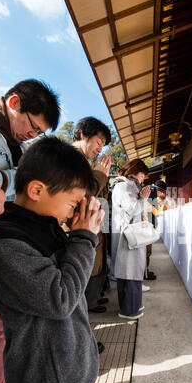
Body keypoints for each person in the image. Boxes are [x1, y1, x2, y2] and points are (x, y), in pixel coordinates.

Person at [0, 136, 104, 383]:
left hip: (63, 382)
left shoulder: (44, 227)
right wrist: (83, 238)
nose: (72, 214)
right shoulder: (7, 245)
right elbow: (61, 299)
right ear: (37, 190)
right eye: (71, 204)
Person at [0, 79, 60, 383]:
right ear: (14, 102)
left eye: (38, 133)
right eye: (32, 126)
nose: (30, 136)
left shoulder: (9, 144)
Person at [73, 117, 111, 315]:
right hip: (72, 234)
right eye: (99, 142)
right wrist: (100, 175)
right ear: (83, 135)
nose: (100, 149)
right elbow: (83, 196)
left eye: (103, 145)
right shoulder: (69, 159)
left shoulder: (86, 163)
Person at [111, 159, 150, 320]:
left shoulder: (127, 185)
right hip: (127, 236)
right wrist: (144, 198)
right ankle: (129, 310)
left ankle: (133, 305)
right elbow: (133, 209)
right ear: (134, 171)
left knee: (131, 271)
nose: (142, 180)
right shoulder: (123, 186)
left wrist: (141, 197)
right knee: (129, 272)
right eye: (142, 176)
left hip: (130, 234)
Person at [144, 179, 167, 283]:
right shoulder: (152, 194)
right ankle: (144, 273)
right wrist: (160, 204)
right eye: (161, 192)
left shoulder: (149, 191)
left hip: (146, 226)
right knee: (147, 252)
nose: (161, 194)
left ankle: (145, 271)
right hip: (147, 228)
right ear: (159, 190)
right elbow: (156, 211)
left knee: (146, 252)